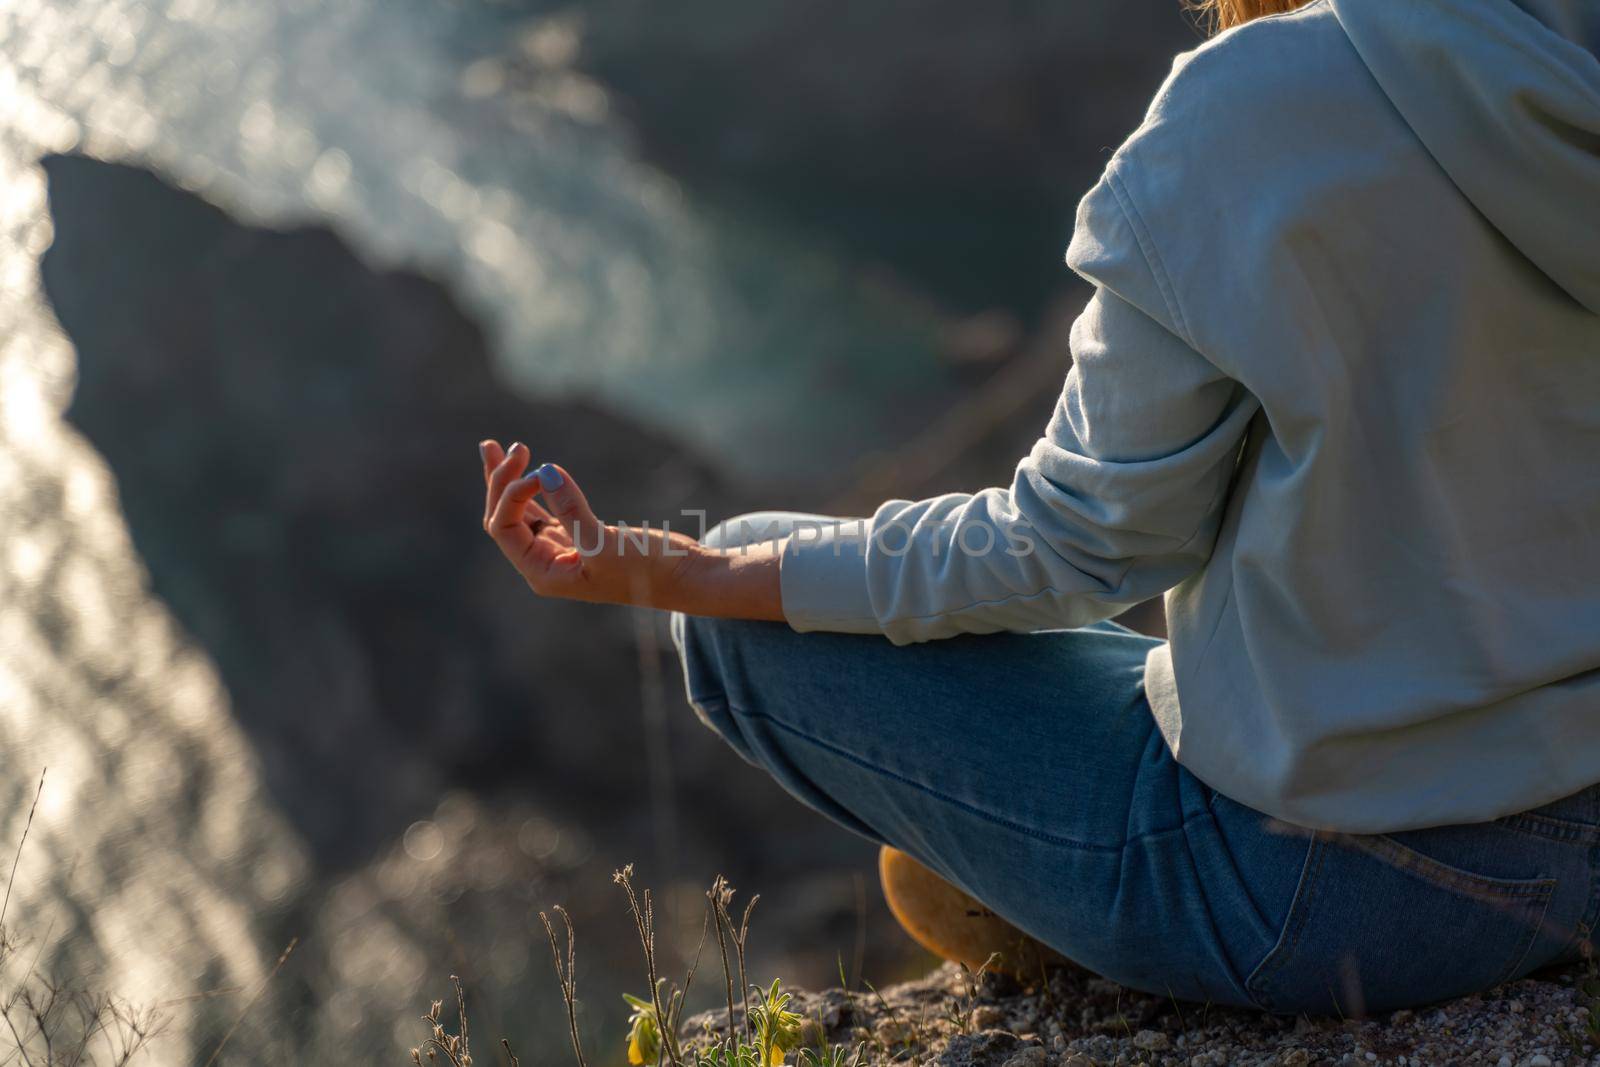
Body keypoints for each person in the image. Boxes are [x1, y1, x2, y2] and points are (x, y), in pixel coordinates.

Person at [478, 0, 1600, 1015]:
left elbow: (1077, 542)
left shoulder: (1253, 107)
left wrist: (692, 574)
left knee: (737, 626)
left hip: (1340, 892)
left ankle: (1042, 887)